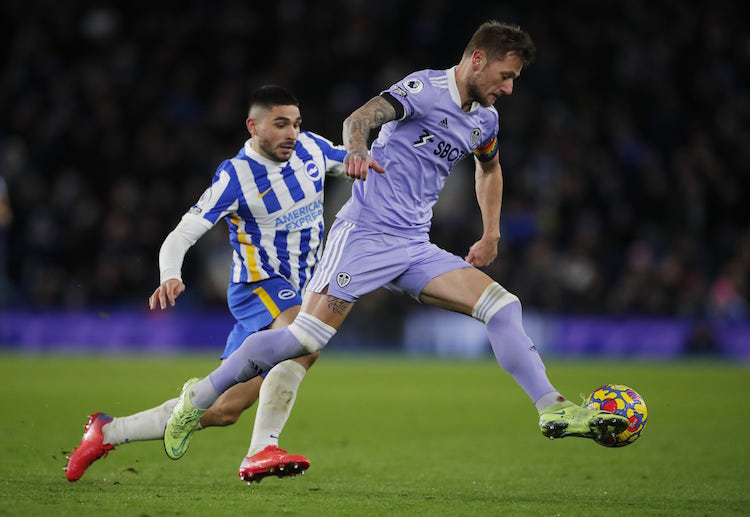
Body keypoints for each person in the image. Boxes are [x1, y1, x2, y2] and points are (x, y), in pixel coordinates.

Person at [162, 21, 629, 462]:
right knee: (302, 339)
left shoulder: (484, 120)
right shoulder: (424, 90)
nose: (508, 88)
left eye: (514, 80)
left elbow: (489, 168)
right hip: (363, 234)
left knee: (502, 306)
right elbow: (358, 119)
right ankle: (196, 398)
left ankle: (552, 406)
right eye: (505, 76)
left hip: (413, 244)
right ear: (478, 60)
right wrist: (360, 151)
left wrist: (490, 232)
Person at [65, 85, 348, 484]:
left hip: (297, 290)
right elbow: (181, 235)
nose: (291, 134)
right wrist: (170, 274)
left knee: (223, 410)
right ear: (253, 126)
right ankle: (261, 449)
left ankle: (107, 432)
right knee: (307, 337)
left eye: (296, 124)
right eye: (280, 124)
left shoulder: (312, 150)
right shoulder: (236, 175)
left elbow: (355, 160)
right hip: (260, 285)